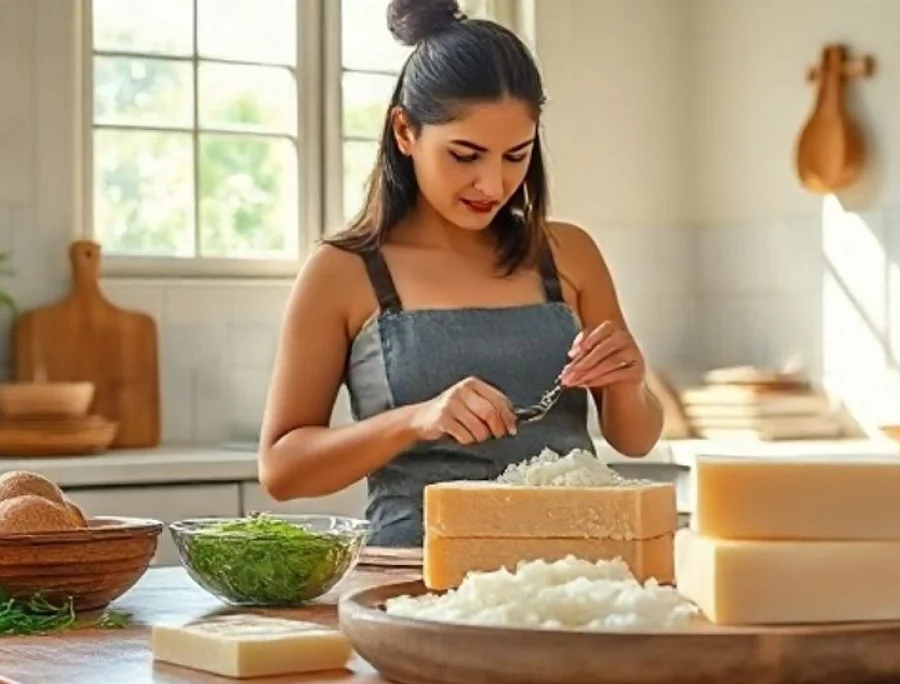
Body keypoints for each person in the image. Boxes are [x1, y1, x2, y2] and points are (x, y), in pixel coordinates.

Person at [257, 0, 664, 547]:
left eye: (516, 155)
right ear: (405, 131)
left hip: (578, 572)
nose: (492, 185)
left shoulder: (569, 253)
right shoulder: (342, 272)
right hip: (412, 576)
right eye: (465, 155)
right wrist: (415, 419)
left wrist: (628, 381)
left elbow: (634, 439)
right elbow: (282, 470)